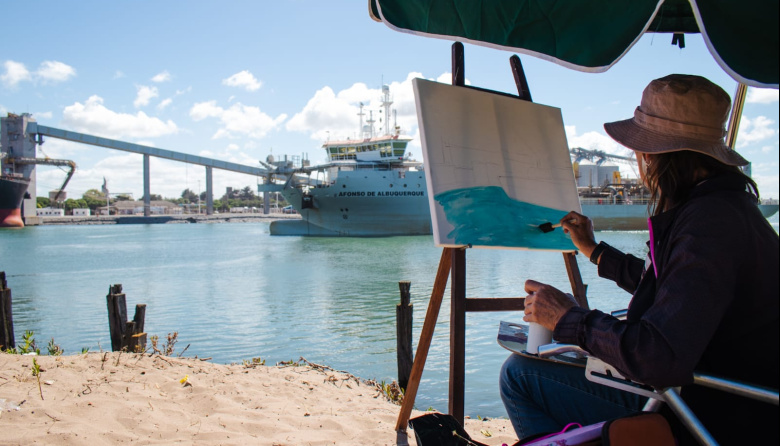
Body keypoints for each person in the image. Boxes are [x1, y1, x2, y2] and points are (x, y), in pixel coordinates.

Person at [499, 74, 779, 445]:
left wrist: (567, 318)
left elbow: (657, 357)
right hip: (734, 400)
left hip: (712, 414)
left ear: (654, 156)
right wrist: (594, 250)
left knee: (520, 373)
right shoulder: (726, 209)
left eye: (640, 148)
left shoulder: (707, 225)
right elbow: (675, 285)